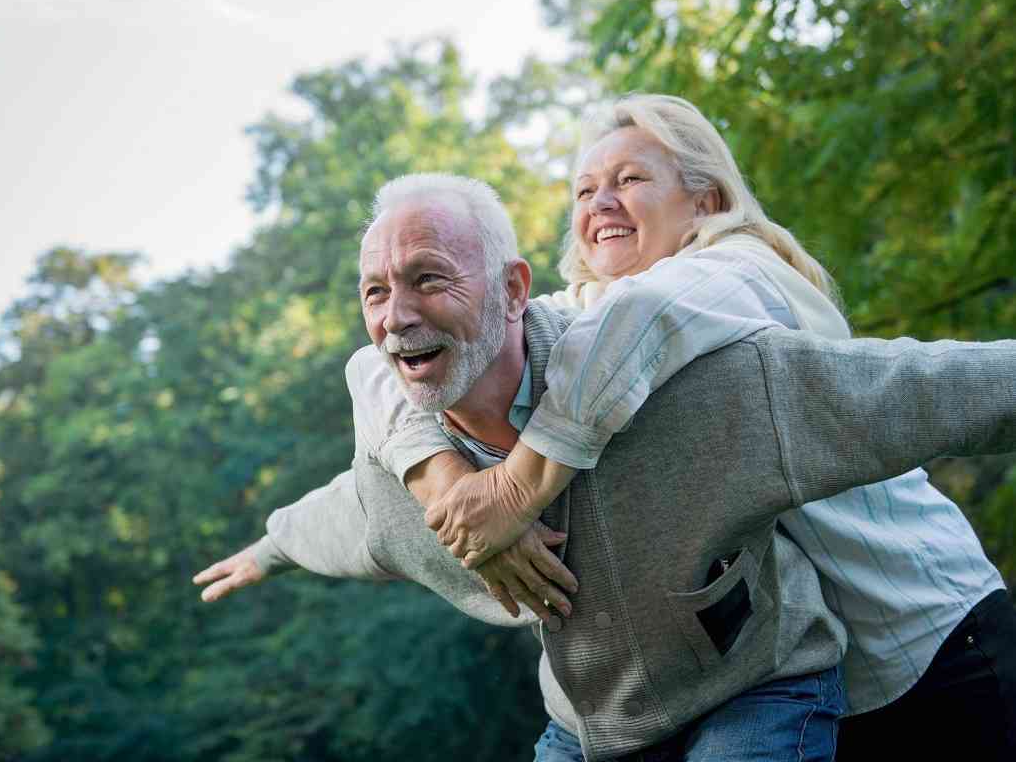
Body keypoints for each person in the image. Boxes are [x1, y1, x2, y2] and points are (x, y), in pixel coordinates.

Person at [194, 173, 1016, 761]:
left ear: (515, 288)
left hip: (760, 689)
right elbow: (345, 519)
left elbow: (914, 389)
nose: (396, 316)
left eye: (428, 279)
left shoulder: (693, 390)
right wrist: (270, 545)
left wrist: (519, 487)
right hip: (595, 727)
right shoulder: (404, 475)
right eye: (374, 292)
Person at [388, 96, 1016, 760]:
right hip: (822, 681)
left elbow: (644, 316)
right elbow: (388, 365)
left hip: (931, 636)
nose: (599, 202)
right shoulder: (591, 314)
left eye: (628, 180)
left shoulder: (742, 273)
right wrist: (445, 484)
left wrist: (512, 494)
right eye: (584, 189)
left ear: (705, 201)